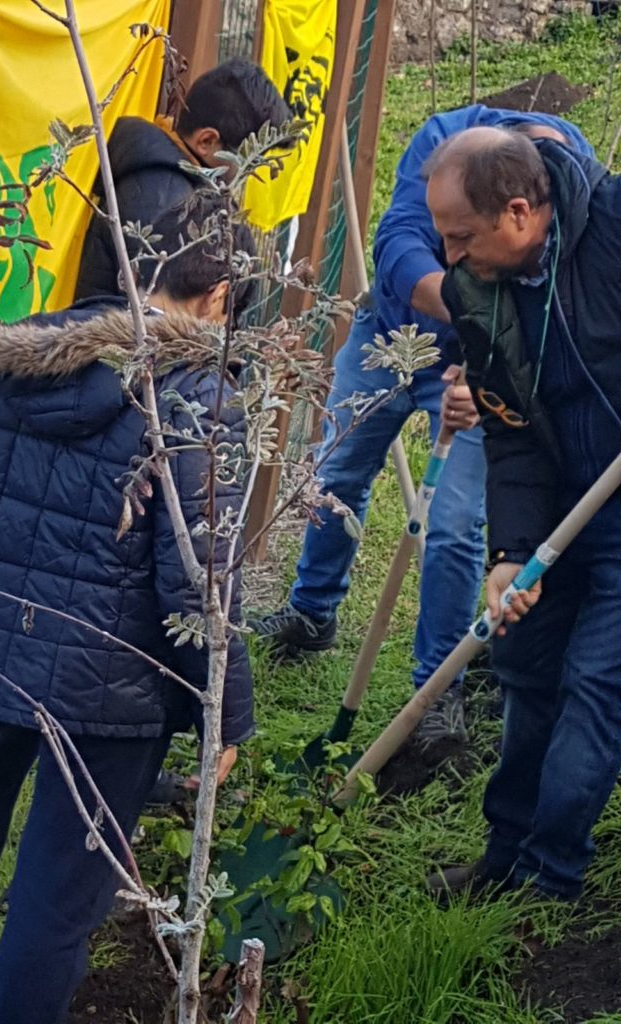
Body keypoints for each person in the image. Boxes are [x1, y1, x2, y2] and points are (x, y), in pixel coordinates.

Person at [0, 195, 255, 1023]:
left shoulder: (23, 359)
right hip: (109, 676)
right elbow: (199, 579)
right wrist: (225, 716)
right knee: (63, 880)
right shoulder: (191, 395)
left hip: (0, 630)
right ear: (220, 294)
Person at [250, 105, 593, 745]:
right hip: (393, 335)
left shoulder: (565, 177)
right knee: (335, 472)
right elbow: (399, 244)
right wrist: (470, 316)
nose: (456, 247)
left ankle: (438, 691)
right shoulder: (441, 142)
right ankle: (311, 609)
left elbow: (552, 297)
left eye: (466, 236)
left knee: (456, 521)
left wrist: (486, 359)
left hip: (478, 371)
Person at [424, 126, 621, 901]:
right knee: (526, 665)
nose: (449, 258)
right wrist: (511, 552)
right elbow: (509, 434)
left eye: (460, 237)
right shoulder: (477, 292)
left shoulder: (612, 227)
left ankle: (550, 875)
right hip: (559, 502)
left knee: (596, 684)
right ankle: (505, 854)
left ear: (517, 213)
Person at [74, 56, 290, 301]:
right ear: (206, 141)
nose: (250, 174)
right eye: (248, 161)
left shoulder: (165, 177)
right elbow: (150, 316)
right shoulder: (163, 200)